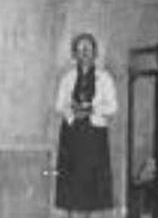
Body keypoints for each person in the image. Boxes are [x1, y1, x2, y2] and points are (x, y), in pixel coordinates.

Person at [55, 33, 117, 217]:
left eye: (88, 48)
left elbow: (113, 107)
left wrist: (92, 110)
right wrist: (72, 111)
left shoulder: (104, 78)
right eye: (80, 49)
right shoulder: (67, 78)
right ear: (74, 54)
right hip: (72, 136)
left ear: (95, 53)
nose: (84, 52)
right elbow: (59, 105)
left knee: (91, 188)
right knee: (72, 187)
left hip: (94, 138)